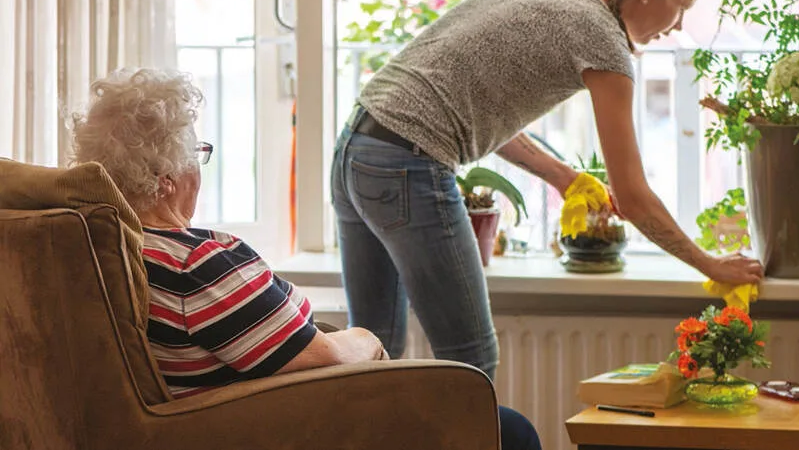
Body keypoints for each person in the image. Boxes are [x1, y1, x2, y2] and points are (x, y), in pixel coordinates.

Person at [330, 0, 764, 381]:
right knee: (469, 364)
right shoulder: (606, 46)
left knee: (370, 353)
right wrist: (709, 263)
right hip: (406, 163)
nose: (677, 26)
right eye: (682, 6)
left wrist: (564, 177)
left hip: (356, 152)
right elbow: (632, 197)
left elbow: (474, 111)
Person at [69, 67, 542, 450]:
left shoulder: (94, 251)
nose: (200, 168)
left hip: (201, 424)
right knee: (510, 428)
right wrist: (366, 338)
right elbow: (329, 362)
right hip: (272, 429)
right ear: (167, 178)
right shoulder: (197, 262)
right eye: (197, 153)